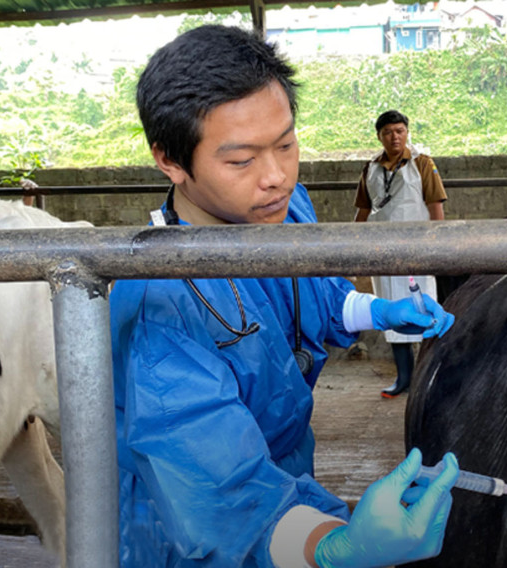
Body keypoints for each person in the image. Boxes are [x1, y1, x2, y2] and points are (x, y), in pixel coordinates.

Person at [110, 25, 460, 567]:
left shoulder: (284, 207)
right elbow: (221, 496)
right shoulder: (159, 304)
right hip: (199, 529)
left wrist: (378, 310)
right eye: (241, 160)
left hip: (292, 479)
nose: (276, 176)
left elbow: (312, 296)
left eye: (286, 144)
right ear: (171, 161)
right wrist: (339, 548)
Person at [353, 110, 448, 398]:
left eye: (399, 131)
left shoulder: (422, 163)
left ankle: (428, 379)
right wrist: (352, 246)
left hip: (417, 250)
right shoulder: (370, 168)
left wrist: (438, 244)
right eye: (387, 132)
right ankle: (403, 377)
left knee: (423, 310)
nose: (394, 137)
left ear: (407, 132)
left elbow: (435, 206)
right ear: (379, 136)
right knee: (391, 312)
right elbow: (364, 210)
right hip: (382, 252)